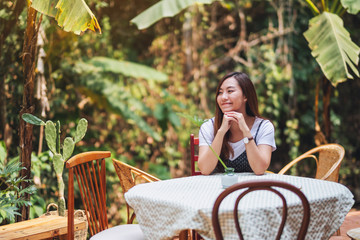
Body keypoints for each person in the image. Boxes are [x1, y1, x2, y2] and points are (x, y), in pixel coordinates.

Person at [198, 72, 276, 175]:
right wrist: (221, 132)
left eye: (230, 91)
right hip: (217, 189)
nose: (223, 97)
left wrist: (246, 132)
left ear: (245, 96)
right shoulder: (208, 127)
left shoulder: (264, 127)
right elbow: (205, 169)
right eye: (220, 93)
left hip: (251, 189)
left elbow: (260, 169)